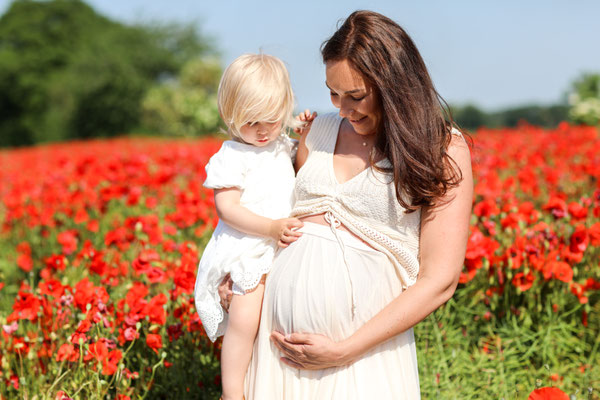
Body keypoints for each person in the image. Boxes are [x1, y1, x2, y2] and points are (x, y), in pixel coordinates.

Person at [223, 10, 472, 400]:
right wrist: (238, 273)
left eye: (355, 96)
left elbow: (439, 280)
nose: (342, 108)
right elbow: (261, 205)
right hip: (277, 347)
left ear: (395, 87)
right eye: (332, 93)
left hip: (364, 355)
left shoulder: (442, 148)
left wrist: (346, 348)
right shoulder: (315, 131)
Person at [193, 53, 307, 400]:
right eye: (251, 121)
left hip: (277, 241)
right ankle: (232, 390)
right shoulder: (231, 156)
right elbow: (227, 209)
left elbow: (302, 159)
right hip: (246, 246)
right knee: (244, 318)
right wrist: (271, 228)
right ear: (230, 114)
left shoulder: (281, 146)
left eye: (271, 121)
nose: (262, 131)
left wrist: (303, 130)